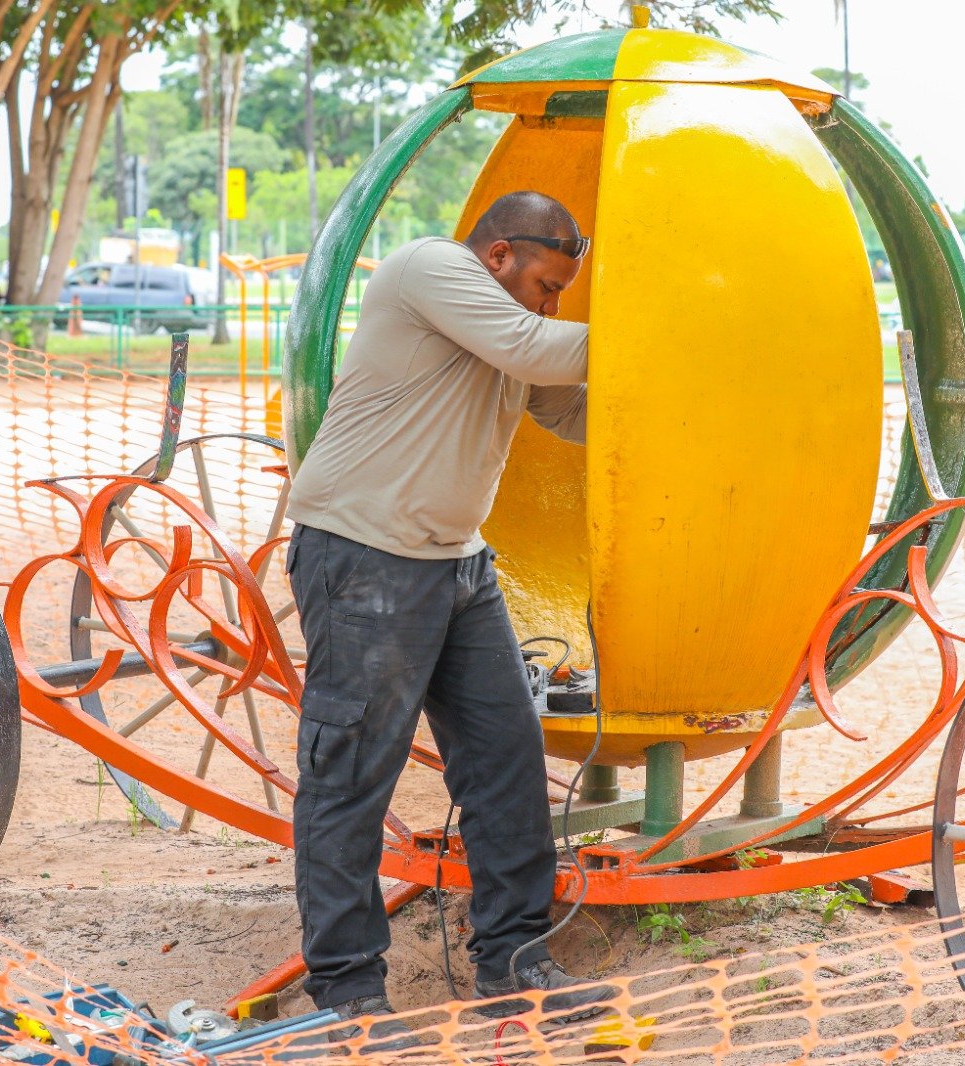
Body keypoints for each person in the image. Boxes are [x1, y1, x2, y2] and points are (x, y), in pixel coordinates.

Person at [284, 190, 615, 1039]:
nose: (551, 305)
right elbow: (535, 345)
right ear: (499, 254)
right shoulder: (430, 268)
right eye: (545, 284)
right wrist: (661, 334)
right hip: (365, 555)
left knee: (507, 758)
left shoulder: (512, 335)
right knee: (351, 773)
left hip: (457, 563)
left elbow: (571, 406)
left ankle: (513, 961)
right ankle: (349, 991)